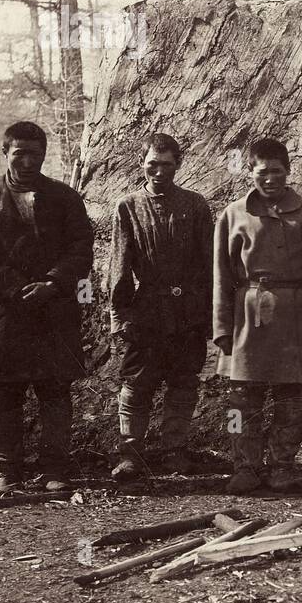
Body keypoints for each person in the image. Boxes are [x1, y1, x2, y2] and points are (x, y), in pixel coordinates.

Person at [0, 122, 93, 493]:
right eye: (19, 152)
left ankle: (55, 470)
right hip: (5, 313)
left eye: (35, 152)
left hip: (53, 311)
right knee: (4, 393)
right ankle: (7, 471)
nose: (27, 160)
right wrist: (18, 289)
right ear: (6, 153)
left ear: (44, 155)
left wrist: (52, 283)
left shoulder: (65, 198)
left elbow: (81, 247)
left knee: (54, 391)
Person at [213, 138, 302, 494]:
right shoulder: (233, 214)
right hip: (247, 315)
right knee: (241, 397)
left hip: (295, 314)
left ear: (288, 171)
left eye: (277, 171)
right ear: (250, 172)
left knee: (290, 397)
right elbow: (220, 273)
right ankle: (244, 467)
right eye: (261, 172)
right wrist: (221, 327)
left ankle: (282, 466)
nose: (269, 179)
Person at [108, 133, 212, 481]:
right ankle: (130, 453)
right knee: (138, 382)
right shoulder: (128, 206)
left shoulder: (196, 205)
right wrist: (119, 315)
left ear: (178, 165)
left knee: (183, 380)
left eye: (167, 164)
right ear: (143, 164)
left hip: (188, 310)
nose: (159, 171)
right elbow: (119, 266)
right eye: (152, 163)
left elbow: (208, 263)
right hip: (148, 308)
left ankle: (175, 450)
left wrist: (208, 312)